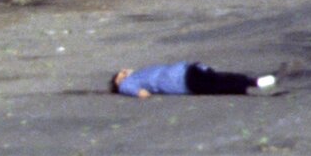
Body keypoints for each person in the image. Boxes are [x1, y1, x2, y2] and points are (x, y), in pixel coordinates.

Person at [111, 62, 276, 98]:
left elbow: (142, 93)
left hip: (183, 80)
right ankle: (251, 83)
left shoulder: (130, 79)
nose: (124, 71)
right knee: (219, 80)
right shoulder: (131, 79)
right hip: (187, 71)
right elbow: (140, 91)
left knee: (218, 84)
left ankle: (252, 84)